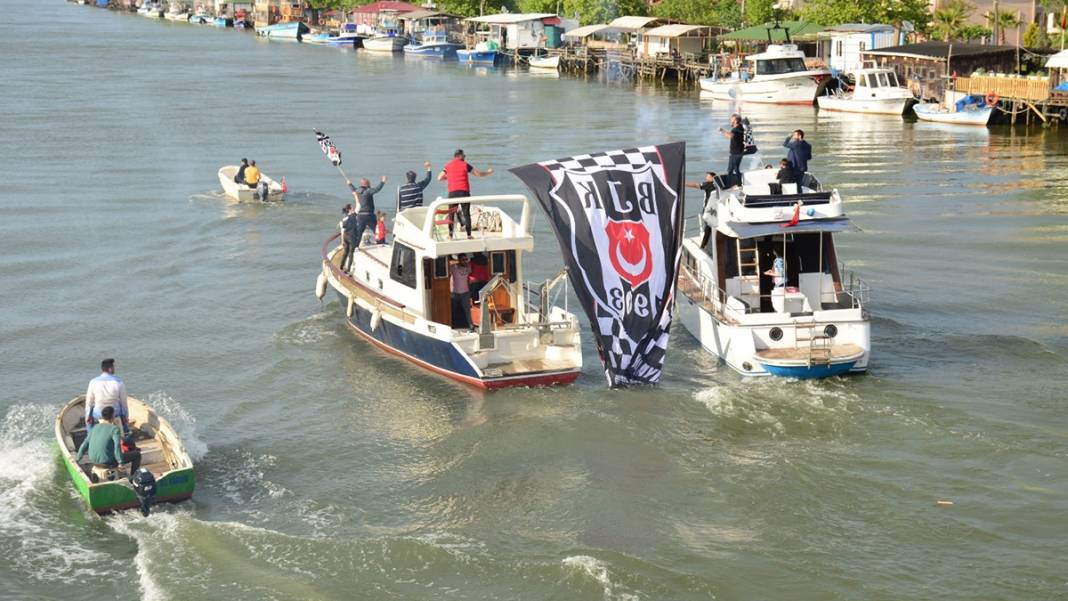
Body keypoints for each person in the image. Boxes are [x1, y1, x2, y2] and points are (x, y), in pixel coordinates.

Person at [438, 149, 493, 239]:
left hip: (452, 193)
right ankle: (469, 235)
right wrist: (488, 172)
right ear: (460, 156)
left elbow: (439, 177)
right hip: (464, 192)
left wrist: (448, 178)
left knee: (451, 213)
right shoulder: (465, 165)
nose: (464, 157)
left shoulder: (447, 165)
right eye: (464, 156)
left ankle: (450, 235)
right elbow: (478, 174)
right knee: (466, 214)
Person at [76, 406, 141, 477]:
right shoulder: (114, 429)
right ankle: (133, 477)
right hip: (108, 462)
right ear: (113, 416)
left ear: (102, 416)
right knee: (137, 455)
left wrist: (78, 458)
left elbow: (84, 444)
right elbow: (117, 446)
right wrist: (121, 463)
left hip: (93, 461)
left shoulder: (94, 427)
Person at [85, 358, 129, 434]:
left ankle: (90, 434)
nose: (115, 369)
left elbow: (89, 402)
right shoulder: (119, 382)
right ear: (110, 369)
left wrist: (88, 416)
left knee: (89, 411)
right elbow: (123, 402)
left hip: (99, 413)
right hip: (114, 413)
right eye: (114, 367)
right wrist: (126, 417)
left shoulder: (93, 382)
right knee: (123, 410)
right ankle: (125, 431)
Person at [347, 176, 387, 249]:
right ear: (367, 184)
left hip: (361, 216)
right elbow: (377, 189)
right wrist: (383, 181)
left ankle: (355, 246)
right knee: (376, 230)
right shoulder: (368, 191)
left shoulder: (358, 190)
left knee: (359, 232)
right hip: (370, 215)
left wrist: (349, 184)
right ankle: (381, 242)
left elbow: (353, 189)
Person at [684, 171, 717, 249]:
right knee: (711, 226)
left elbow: (696, 185)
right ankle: (709, 242)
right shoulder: (717, 185)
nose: (706, 177)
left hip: (708, 209)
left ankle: (703, 245)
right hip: (714, 209)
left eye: (708, 176)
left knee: (708, 226)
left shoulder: (708, 184)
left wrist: (684, 183)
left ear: (712, 178)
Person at [449, 254, 472, 330]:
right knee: (453, 310)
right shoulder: (454, 267)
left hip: (465, 292)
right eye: (463, 259)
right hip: (455, 293)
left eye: (466, 259)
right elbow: (447, 265)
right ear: (459, 260)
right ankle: (451, 325)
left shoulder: (468, 267)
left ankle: (470, 325)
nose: (465, 261)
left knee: (467, 310)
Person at [718, 115, 745, 181]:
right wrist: (722, 132)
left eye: (731, 119)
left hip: (736, 153)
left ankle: (732, 183)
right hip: (738, 152)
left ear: (735, 121)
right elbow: (729, 136)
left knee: (732, 169)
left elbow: (730, 136)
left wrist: (722, 130)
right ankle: (737, 183)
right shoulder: (740, 127)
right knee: (734, 169)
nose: (730, 120)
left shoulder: (736, 129)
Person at [339, 204, 354, 271]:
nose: (353, 208)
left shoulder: (344, 219)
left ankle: (341, 266)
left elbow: (342, 231)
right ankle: (348, 269)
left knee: (346, 252)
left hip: (345, 237)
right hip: (351, 237)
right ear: (349, 209)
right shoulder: (351, 217)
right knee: (351, 253)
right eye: (352, 207)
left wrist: (342, 240)